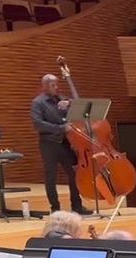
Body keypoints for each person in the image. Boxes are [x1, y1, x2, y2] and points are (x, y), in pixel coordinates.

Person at [30, 74, 91, 214]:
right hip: (49, 144)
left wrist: (69, 103)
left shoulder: (62, 98)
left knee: (74, 173)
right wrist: (60, 128)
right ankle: (55, 208)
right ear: (44, 85)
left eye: (57, 85)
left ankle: (77, 206)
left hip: (66, 143)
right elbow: (38, 124)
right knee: (51, 176)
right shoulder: (38, 102)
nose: (56, 88)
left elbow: (81, 105)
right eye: (53, 85)